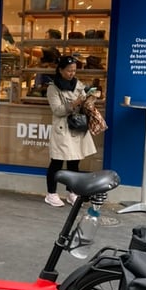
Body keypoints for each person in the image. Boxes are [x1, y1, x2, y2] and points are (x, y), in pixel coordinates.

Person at [44, 55, 96, 207]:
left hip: (77, 127)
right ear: (60, 70)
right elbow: (58, 110)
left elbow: (82, 102)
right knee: (57, 162)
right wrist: (75, 103)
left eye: (74, 70)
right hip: (63, 128)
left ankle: (72, 192)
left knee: (74, 162)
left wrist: (89, 99)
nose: (72, 73)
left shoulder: (78, 84)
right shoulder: (53, 88)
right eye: (68, 71)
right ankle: (51, 193)